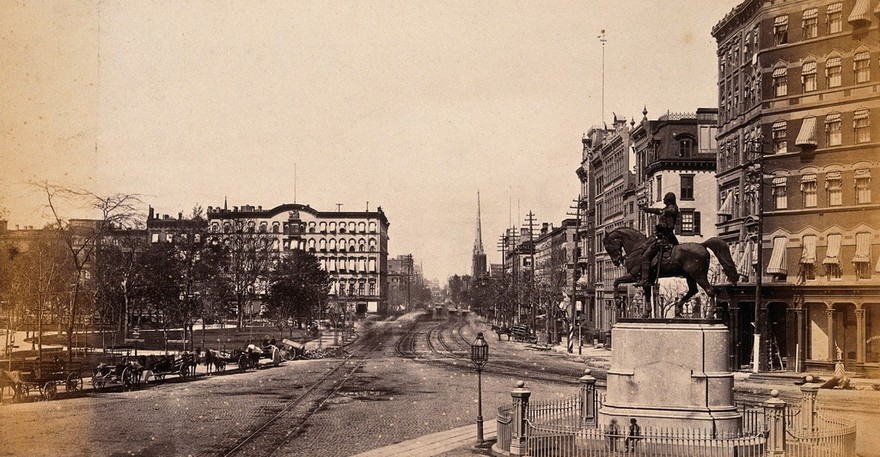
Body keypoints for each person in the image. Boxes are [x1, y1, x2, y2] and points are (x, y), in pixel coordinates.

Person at [636, 192, 680, 287]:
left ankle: (646, 280)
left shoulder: (670, 210)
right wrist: (645, 209)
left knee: (646, 256)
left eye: (665, 199)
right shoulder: (668, 209)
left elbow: (670, 226)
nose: (663, 200)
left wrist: (661, 227)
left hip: (665, 238)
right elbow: (658, 210)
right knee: (643, 247)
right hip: (661, 236)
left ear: (668, 200)